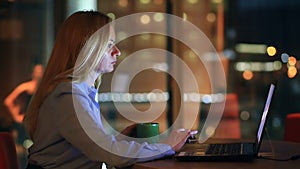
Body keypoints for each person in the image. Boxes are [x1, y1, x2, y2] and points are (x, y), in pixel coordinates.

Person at [24, 11, 191, 169]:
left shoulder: (77, 92)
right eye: (109, 45)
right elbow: (108, 153)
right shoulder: (69, 96)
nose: (117, 52)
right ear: (88, 49)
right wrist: (168, 146)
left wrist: (118, 140)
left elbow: (88, 150)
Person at [4, 64, 44, 168]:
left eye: (41, 72)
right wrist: (16, 116)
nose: (39, 74)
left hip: (37, 123)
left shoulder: (43, 88)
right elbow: (8, 101)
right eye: (37, 72)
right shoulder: (27, 86)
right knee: (22, 150)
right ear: (33, 73)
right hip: (25, 123)